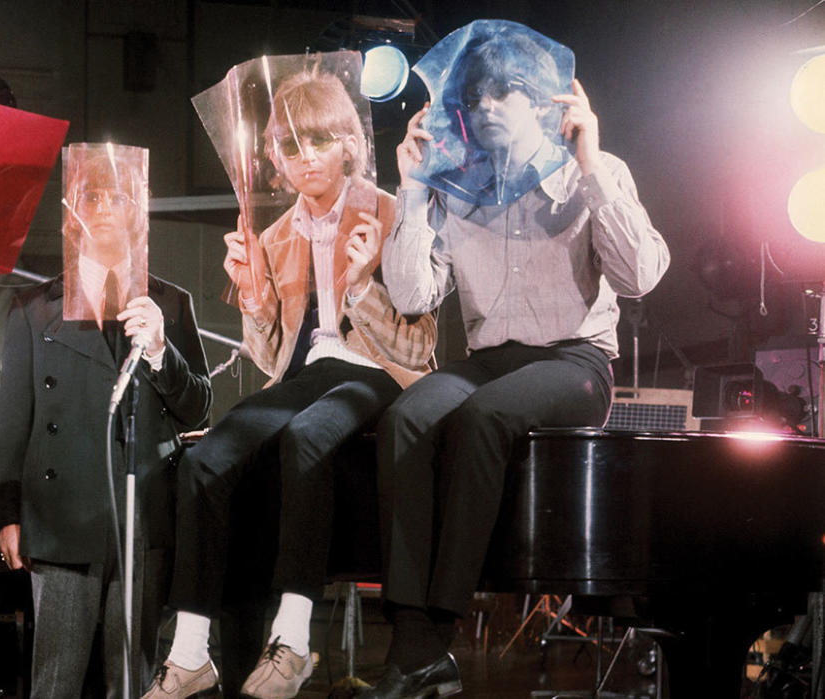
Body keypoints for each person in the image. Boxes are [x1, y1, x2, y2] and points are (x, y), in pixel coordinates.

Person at [364, 25, 671, 698]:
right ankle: (411, 639)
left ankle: (431, 636)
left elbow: (641, 275)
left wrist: (591, 167)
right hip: (491, 359)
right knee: (406, 417)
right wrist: (412, 188)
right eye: (475, 95)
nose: (488, 105)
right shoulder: (456, 184)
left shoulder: (593, 170)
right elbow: (414, 295)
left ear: (542, 102)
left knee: (482, 417)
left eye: (507, 92)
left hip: (576, 360)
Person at [143, 69, 436, 699]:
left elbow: (420, 348)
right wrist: (252, 300)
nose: (304, 159)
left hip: (378, 373)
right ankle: (191, 652)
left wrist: (362, 286)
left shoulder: (392, 215)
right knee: (206, 457)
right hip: (305, 377)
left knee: (309, 436)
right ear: (276, 155)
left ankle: (294, 640)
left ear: (350, 143)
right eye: (290, 146)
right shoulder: (273, 237)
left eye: (319, 142)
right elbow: (271, 358)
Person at [0, 144, 213, 699]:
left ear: (138, 207)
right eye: (93, 195)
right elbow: (12, 424)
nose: (107, 207)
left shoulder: (170, 303)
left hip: (143, 518)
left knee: (133, 678)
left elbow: (199, 409)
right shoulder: (31, 308)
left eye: (120, 195)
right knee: (55, 680)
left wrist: (162, 350)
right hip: (60, 517)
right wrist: (6, 514)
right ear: (74, 209)